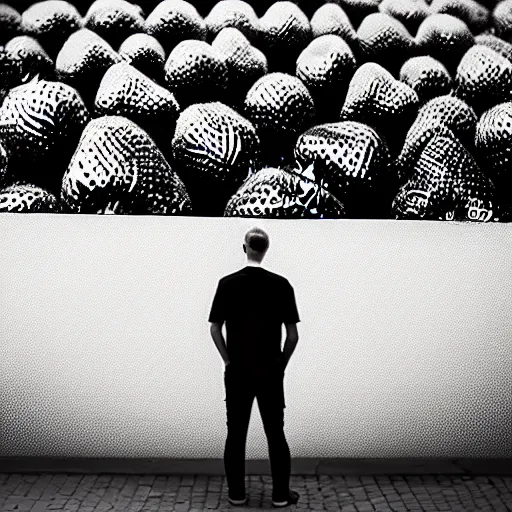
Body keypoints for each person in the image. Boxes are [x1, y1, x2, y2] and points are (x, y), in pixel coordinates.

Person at [209, 227, 301, 508]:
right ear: (266, 249)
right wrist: (280, 366)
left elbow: (215, 329)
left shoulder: (227, 284)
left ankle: (237, 494)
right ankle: (281, 495)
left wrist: (228, 360)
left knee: (235, 433)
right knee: (276, 433)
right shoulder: (282, 284)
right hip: (269, 371)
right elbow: (293, 336)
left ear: (244, 248)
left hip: (238, 371)